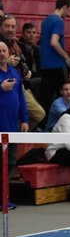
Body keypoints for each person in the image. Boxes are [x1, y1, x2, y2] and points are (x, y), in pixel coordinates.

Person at [0, 14, 45, 130]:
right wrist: (6, 62)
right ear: (0, 27)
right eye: (7, 26)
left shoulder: (16, 44)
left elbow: (22, 63)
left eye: (13, 26)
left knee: (39, 114)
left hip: (18, 83)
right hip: (3, 82)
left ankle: (18, 132)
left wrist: (26, 72)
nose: (10, 29)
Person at [0, 41, 28, 210]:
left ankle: (4, 197)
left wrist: (24, 119)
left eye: (3, 50)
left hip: (12, 127)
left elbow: (21, 98)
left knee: (9, 163)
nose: (1, 53)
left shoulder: (15, 73)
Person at [39, 0, 70, 119]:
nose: (69, 14)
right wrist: (66, 57)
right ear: (64, 7)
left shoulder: (46, 20)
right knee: (64, 97)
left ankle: (43, 125)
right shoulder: (59, 21)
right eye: (69, 11)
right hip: (57, 65)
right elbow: (54, 42)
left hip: (45, 65)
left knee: (46, 98)